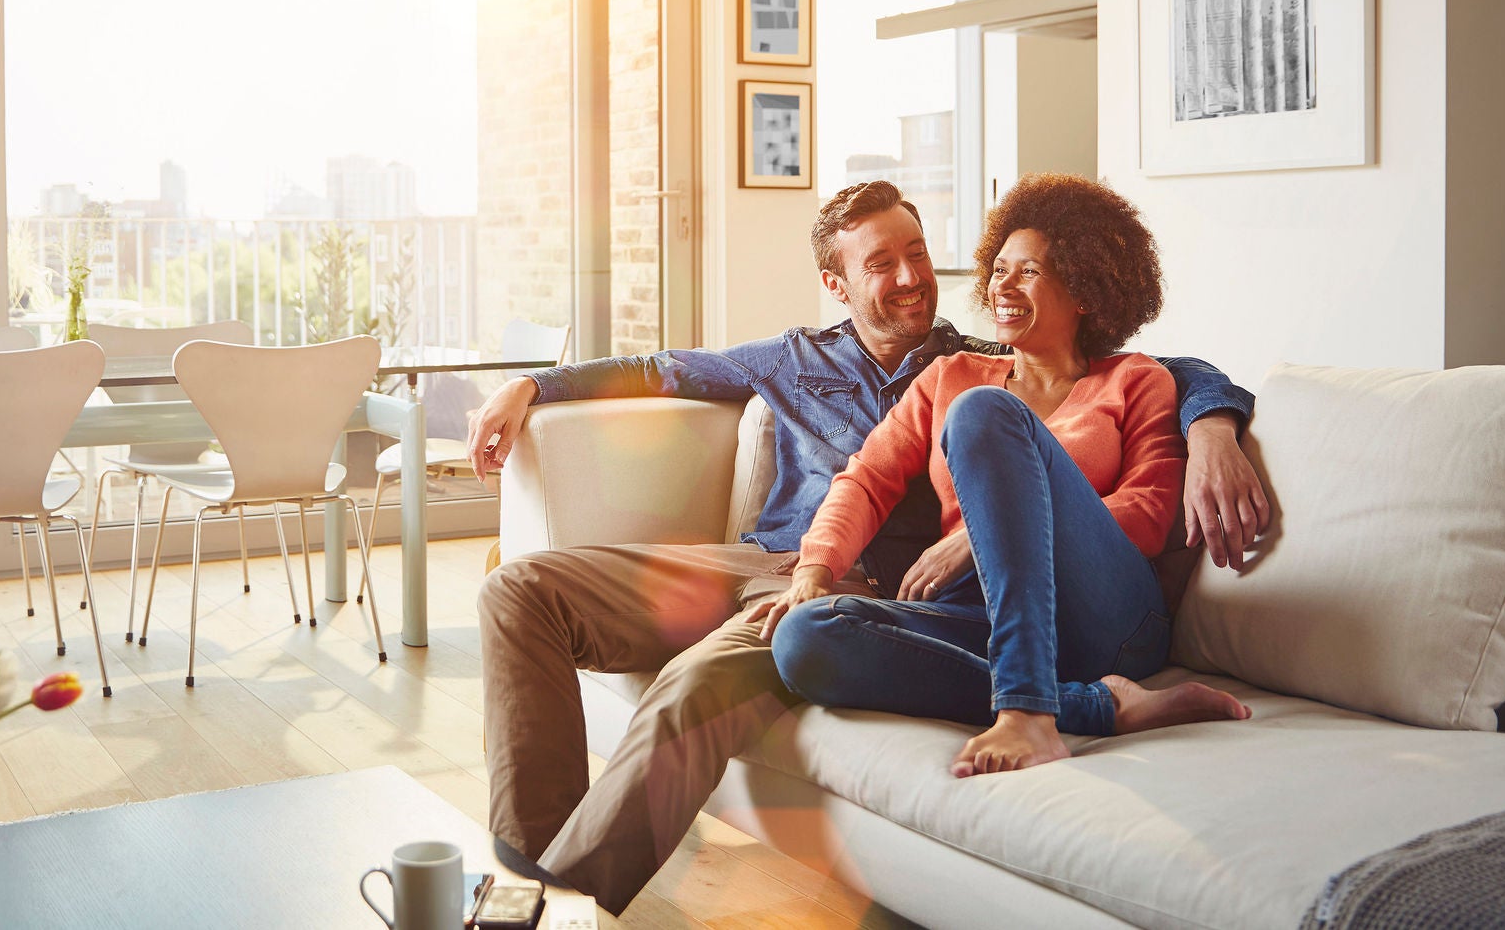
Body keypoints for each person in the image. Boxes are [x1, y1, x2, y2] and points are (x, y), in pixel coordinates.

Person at [470, 180, 1267, 913]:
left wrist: (1217, 420)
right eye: (882, 262)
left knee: (710, 675)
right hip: (778, 561)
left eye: (918, 252)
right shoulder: (856, 362)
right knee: (517, 590)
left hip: (888, 584)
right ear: (838, 283)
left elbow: (1173, 373)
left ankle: (555, 908)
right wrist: (534, 384)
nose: (912, 276)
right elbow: (680, 376)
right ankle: (525, 877)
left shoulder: (1003, 364)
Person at [763, 174, 1251, 779]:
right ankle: (1096, 706)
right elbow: (866, 478)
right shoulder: (951, 375)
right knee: (806, 637)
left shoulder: (1135, 380)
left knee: (985, 413)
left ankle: (1026, 712)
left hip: (1103, 616)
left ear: (1084, 291)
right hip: (984, 615)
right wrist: (816, 569)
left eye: (1028, 271)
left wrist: (981, 536)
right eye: (997, 269)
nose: (1002, 286)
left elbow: (1151, 516)